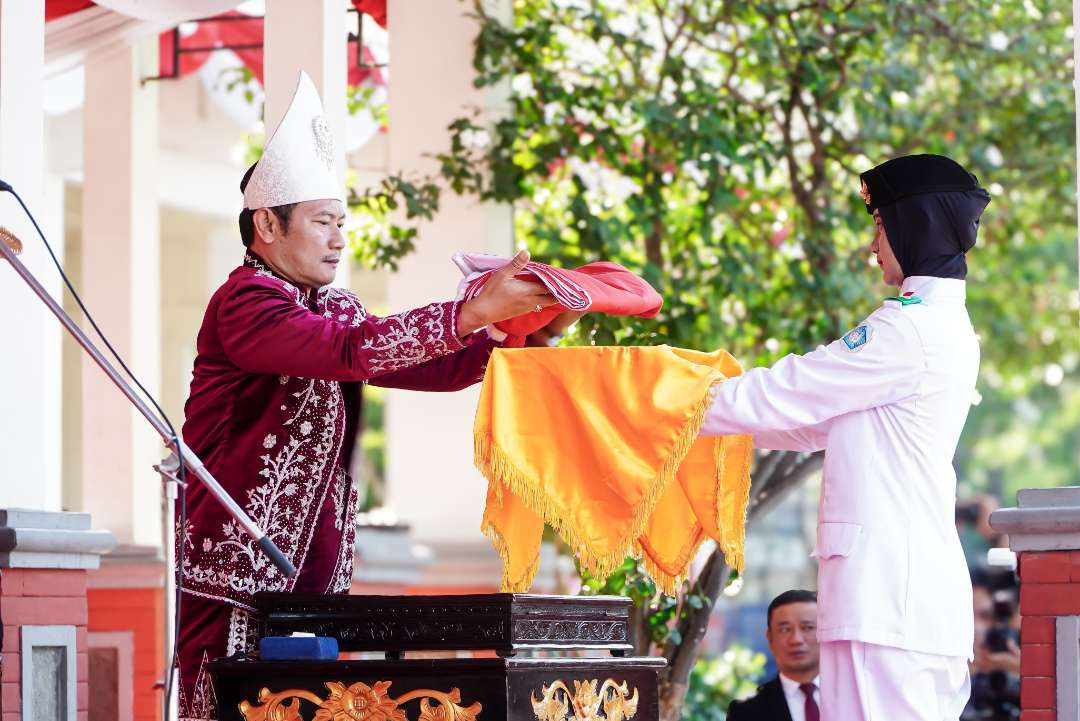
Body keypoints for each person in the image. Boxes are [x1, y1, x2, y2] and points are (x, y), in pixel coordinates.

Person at [175, 72, 560, 720]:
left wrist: (515, 329)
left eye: (341, 222)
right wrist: (470, 311)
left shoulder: (334, 307)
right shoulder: (246, 302)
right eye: (324, 221)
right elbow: (356, 351)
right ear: (266, 223)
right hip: (237, 580)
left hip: (316, 586)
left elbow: (428, 369)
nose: (338, 237)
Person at [700, 154, 991, 720]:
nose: (872, 246)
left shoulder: (908, 329)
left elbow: (789, 389)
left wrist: (654, 398)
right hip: (896, 604)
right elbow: (806, 421)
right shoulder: (935, 325)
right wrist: (691, 421)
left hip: (888, 603)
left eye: (879, 226)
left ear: (915, 225)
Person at [728, 590, 820, 721]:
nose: (796, 639)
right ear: (770, 637)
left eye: (807, 628)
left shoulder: (854, 694)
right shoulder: (745, 711)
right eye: (785, 629)